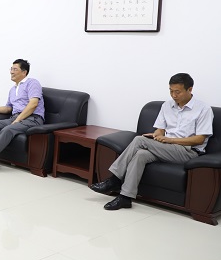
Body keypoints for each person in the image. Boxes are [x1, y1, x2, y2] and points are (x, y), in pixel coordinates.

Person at [89, 73, 213, 210]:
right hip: (166, 148)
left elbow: (199, 139)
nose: (173, 95)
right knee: (140, 155)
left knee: (139, 140)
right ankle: (125, 197)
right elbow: (160, 129)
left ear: (190, 89)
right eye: (171, 91)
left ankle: (114, 179)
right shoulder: (167, 106)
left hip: (188, 152)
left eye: (177, 92)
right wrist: (156, 135)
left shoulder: (203, 109)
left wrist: (170, 140)